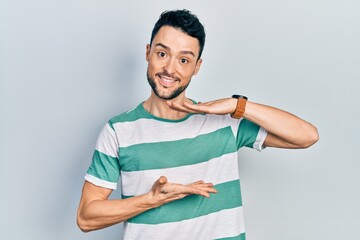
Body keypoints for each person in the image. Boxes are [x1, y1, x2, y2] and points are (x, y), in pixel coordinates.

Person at [77, 9, 319, 240]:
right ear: (148, 53)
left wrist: (237, 105)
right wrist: (152, 199)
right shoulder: (118, 131)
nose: (170, 69)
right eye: (162, 54)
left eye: (184, 59)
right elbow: (86, 218)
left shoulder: (225, 123)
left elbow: (306, 136)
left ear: (197, 67)